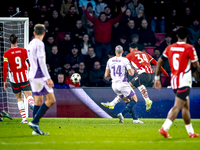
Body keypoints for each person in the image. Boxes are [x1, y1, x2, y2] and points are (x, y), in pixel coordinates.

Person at [154, 27, 199, 138]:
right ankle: (164, 128)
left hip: (174, 81)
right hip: (184, 81)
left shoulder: (170, 47)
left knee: (185, 106)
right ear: (187, 36)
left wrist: (156, 78)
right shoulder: (189, 48)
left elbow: (159, 62)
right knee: (178, 106)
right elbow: (196, 65)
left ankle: (191, 132)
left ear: (177, 36)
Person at [102, 43, 169, 112]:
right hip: (151, 75)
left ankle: (113, 103)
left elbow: (121, 65)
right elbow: (157, 63)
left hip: (143, 75)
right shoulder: (145, 54)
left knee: (126, 88)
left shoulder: (130, 55)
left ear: (130, 49)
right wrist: (165, 73)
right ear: (137, 48)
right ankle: (147, 100)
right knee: (139, 84)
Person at [27, 24, 56, 135]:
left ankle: (36, 129)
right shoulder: (40, 44)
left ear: (34, 33)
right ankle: (34, 122)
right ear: (44, 33)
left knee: (38, 101)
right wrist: (48, 78)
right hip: (39, 75)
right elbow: (41, 61)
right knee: (51, 100)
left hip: (32, 75)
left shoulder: (30, 44)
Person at [103, 45, 143, 123]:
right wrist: (133, 68)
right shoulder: (125, 60)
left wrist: (114, 75)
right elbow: (131, 73)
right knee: (134, 99)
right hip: (122, 84)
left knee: (127, 101)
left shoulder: (110, 60)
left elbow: (106, 75)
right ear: (122, 52)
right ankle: (122, 114)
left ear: (115, 52)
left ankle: (135, 119)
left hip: (114, 85)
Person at [3, 34, 34, 123]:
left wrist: (4, 80)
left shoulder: (6, 54)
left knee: (19, 98)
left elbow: (5, 68)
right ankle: (31, 104)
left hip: (14, 79)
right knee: (28, 95)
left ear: (9, 42)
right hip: (24, 77)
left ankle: (24, 119)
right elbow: (29, 63)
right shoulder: (24, 51)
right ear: (17, 42)